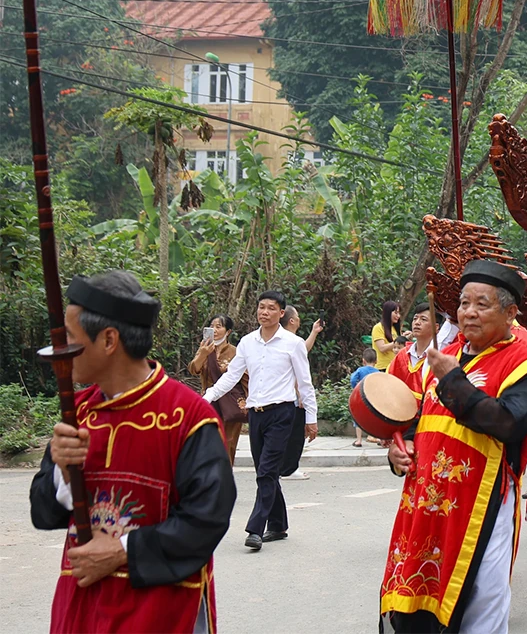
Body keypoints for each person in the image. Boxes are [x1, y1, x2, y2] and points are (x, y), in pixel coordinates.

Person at [30, 271, 235, 633]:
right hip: (83, 606)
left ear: (109, 340)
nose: (60, 348)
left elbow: (207, 520)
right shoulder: (77, 412)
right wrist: (62, 473)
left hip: (159, 609)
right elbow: (43, 513)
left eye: (70, 337)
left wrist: (123, 550)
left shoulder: (187, 418)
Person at [381, 260, 527, 632]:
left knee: (479, 599)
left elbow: (508, 424)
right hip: (424, 502)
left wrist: (453, 379)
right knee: (415, 596)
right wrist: (399, 452)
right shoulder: (442, 358)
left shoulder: (524, 365)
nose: (469, 313)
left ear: (510, 313)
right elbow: (416, 423)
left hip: (479, 501)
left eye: (482, 304)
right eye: (463, 303)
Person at [204, 290, 318, 550]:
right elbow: (232, 376)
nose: (264, 312)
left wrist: (310, 417)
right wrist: (207, 398)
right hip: (255, 415)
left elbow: (305, 383)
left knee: (267, 471)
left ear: (281, 313)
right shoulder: (247, 342)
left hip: (283, 414)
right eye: (261, 307)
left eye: (270, 308)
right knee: (265, 471)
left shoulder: (293, 343)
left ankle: (255, 528)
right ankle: (278, 525)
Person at [189, 314, 247, 464]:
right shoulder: (205, 349)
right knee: (207, 441)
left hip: (230, 404)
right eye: (212, 326)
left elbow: (246, 378)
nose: (214, 330)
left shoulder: (236, 352)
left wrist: (249, 402)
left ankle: (225, 478)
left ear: (228, 331)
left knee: (228, 443)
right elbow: (194, 369)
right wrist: (203, 354)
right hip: (209, 401)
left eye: (219, 326)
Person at [280, 305, 324, 481]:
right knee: (295, 435)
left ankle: (284, 467)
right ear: (291, 320)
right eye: (297, 316)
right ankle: (289, 469)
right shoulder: (290, 341)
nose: (299, 319)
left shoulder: (285, 340)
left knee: (288, 435)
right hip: (292, 397)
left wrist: (314, 332)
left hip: (285, 398)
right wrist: (301, 395)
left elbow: (303, 350)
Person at [387, 301, 439, 402]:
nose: (417, 322)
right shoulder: (402, 354)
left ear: (436, 327)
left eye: (423, 319)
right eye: (415, 318)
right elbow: (389, 383)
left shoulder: (439, 358)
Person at [350, 348, 379, 447]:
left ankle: (358, 440)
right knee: (375, 417)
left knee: (358, 418)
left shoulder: (360, 370)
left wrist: (355, 387)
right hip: (374, 398)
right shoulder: (378, 372)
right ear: (376, 361)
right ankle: (378, 437)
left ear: (363, 360)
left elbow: (353, 379)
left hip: (361, 397)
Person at [372, 300, 403, 372]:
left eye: (399, 313)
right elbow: (382, 348)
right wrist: (398, 341)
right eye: (395, 313)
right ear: (388, 313)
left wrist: (405, 338)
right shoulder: (378, 327)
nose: (398, 316)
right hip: (382, 368)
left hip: (394, 367)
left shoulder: (395, 329)